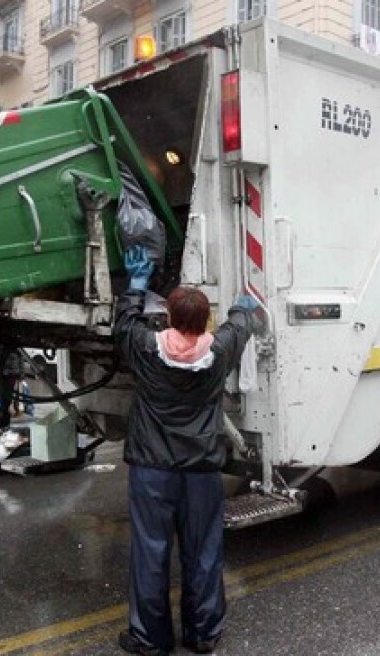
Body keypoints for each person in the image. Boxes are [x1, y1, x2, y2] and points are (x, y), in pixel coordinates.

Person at [114, 245, 258, 656]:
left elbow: (124, 324)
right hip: (200, 472)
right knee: (204, 553)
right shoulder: (218, 354)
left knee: (150, 553)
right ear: (203, 320)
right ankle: (203, 635)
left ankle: (149, 638)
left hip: (151, 471)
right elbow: (240, 325)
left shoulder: (145, 349)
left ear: (172, 318)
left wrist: (137, 285)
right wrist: (243, 305)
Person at [0, 343, 25, 433]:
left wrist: (21, 374)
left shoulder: (16, 334)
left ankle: (5, 424)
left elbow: (21, 352)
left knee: (7, 400)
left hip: (11, 370)